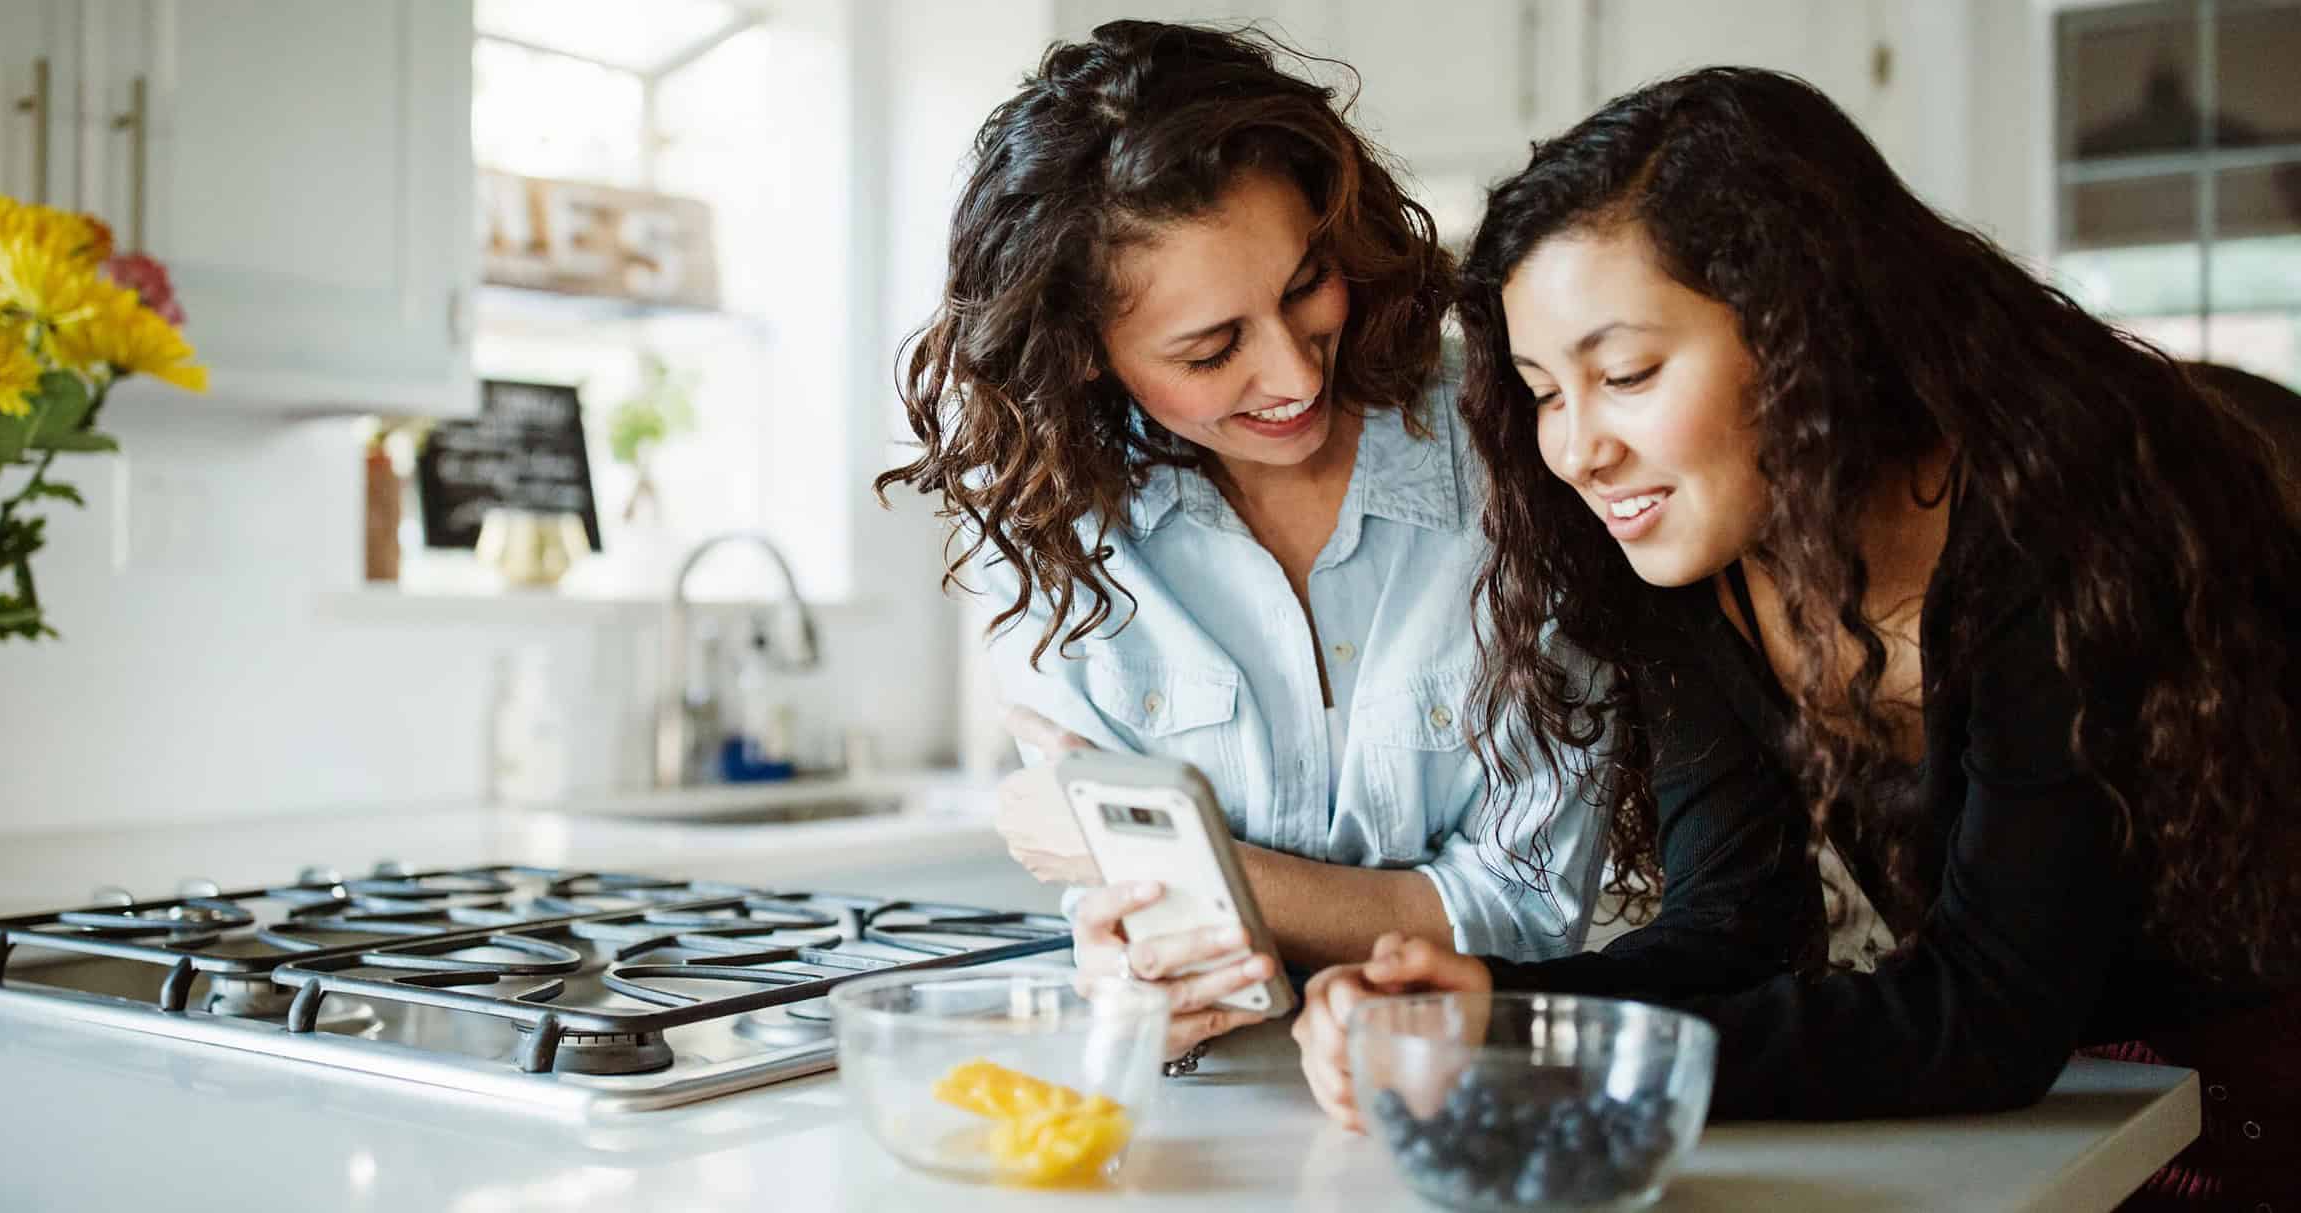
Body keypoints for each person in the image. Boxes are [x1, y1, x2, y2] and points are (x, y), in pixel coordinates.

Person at [1290, 68, 2301, 1204]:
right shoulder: (1696, 557)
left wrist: (1532, 1048)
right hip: (2061, 1121)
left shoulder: (2073, 529)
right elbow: (1736, 929)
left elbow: (1989, 1012)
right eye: (1540, 391)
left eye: (1623, 374)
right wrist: (1485, 1007)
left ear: (1809, 329)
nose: (1575, 451)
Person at [874, 21, 1606, 1061]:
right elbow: (1140, 903)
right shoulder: (1048, 523)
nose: (1297, 376)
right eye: (1214, 348)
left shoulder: (1513, 442)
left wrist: (1221, 879)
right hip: (1205, 1093)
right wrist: (1129, 956)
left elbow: (1527, 907)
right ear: (1086, 352)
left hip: (1473, 1080)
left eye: (1307, 284)